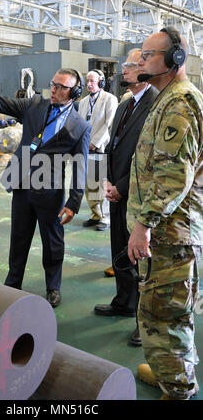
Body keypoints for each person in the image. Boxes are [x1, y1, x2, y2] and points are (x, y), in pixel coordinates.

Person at [0, 68, 90, 308]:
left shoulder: (80, 126)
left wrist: (73, 203)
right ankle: (13, 282)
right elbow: (0, 102)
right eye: (53, 84)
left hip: (50, 192)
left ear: (75, 92)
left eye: (61, 87)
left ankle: (53, 286)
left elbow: (82, 167)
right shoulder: (35, 105)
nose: (54, 89)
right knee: (19, 237)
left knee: (53, 242)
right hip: (21, 184)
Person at [127, 27, 203, 400]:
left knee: (166, 316)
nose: (141, 61)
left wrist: (143, 225)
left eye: (148, 55)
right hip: (166, 231)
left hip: (171, 234)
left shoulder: (180, 103)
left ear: (174, 59)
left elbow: (173, 176)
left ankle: (178, 390)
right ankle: (168, 373)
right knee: (162, 311)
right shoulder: (167, 97)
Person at [93, 49, 159, 347]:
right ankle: (124, 301)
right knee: (120, 249)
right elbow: (113, 146)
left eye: (129, 66)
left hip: (137, 194)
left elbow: (142, 156)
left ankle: (143, 321)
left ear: (144, 67)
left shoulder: (155, 102)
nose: (124, 71)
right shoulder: (124, 105)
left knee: (141, 260)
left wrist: (121, 185)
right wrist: (108, 181)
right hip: (117, 190)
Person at [78, 70, 118, 231]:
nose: (89, 84)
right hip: (85, 149)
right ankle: (95, 214)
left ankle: (106, 218)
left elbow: (110, 124)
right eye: (87, 81)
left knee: (103, 184)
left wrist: (94, 143)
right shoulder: (83, 102)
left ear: (101, 82)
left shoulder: (110, 99)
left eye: (92, 81)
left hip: (100, 148)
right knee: (90, 185)